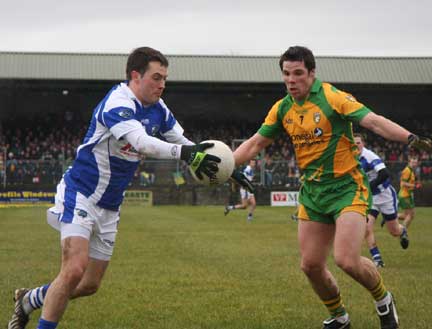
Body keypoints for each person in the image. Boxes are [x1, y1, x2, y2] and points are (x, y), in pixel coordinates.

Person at [7, 46, 251, 329]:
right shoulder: (117, 102)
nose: (162, 85)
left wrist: (228, 169)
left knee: (89, 284)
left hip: (110, 206)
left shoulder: (159, 110)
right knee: (74, 269)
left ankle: (29, 299)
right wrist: (186, 154)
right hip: (81, 193)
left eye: (164, 79)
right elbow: (142, 143)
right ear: (136, 76)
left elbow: (186, 144)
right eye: (156, 78)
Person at [232, 46, 432, 329]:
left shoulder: (333, 97)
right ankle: (340, 316)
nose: (291, 80)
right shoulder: (282, 109)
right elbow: (255, 143)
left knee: (346, 260)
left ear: (312, 73)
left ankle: (383, 300)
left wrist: (411, 137)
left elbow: (374, 122)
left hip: (347, 189)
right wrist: (225, 166)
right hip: (313, 194)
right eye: (286, 74)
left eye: (298, 74)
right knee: (311, 265)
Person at [354, 133, 409, 268]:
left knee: (394, 231)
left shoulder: (369, 156)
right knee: (366, 228)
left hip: (385, 196)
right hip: (371, 198)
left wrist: (369, 186)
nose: (356, 146)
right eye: (353, 143)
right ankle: (378, 260)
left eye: (358, 143)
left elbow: (384, 174)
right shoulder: (351, 157)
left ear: (363, 144)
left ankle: (403, 231)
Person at [397, 156, 420, 228]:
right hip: (405, 195)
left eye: (416, 162)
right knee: (409, 215)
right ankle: (403, 231)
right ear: (409, 162)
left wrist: (415, 184)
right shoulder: (407, 170)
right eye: (413, 162)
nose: (414, 164)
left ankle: (390, 217)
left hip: (408, 195)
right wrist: (414, 185)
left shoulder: (411, 170)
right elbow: (403, 183)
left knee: (410, 215)